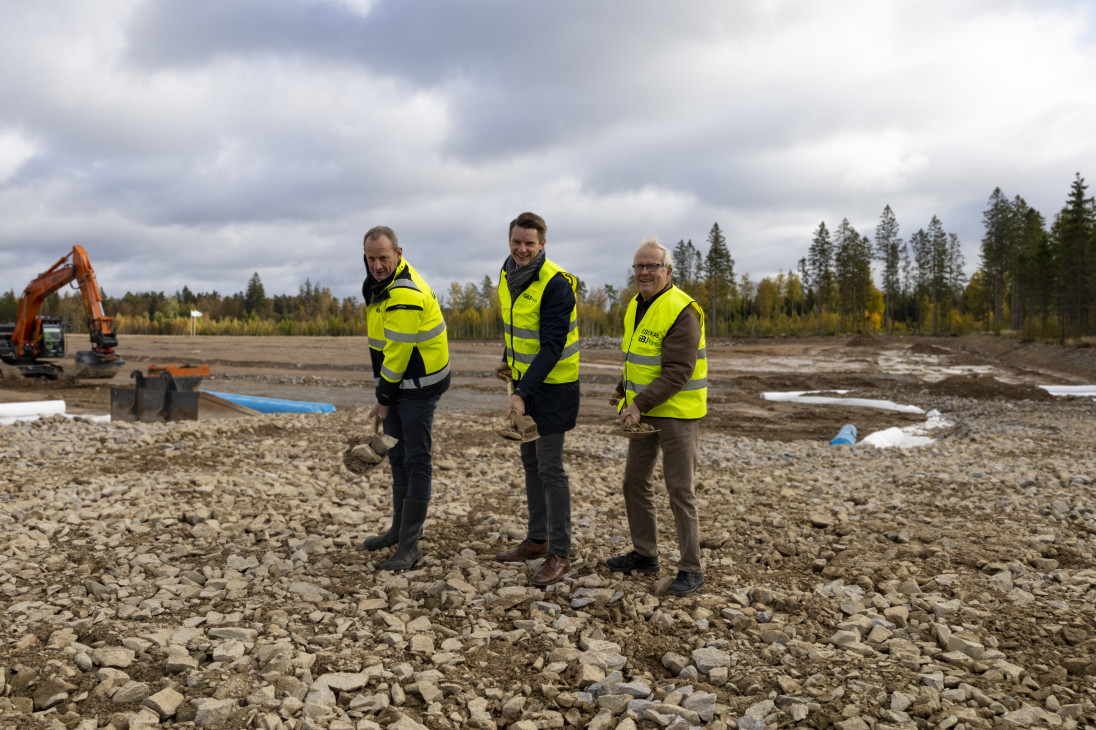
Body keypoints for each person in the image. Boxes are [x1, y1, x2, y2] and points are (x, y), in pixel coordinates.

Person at [606, 237, 707, 595]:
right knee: (634, 482)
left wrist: (638, 404)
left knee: (680, 490)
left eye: (652, 266)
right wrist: (623, 388)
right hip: (644, 412)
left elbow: (678, 371)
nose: (644, 272)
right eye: (639, 266)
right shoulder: (636, 304)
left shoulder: (682, 309)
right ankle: (645, 554)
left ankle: (691, 569)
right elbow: (639, 357)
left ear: (668, 270)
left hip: (677, 414)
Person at [493, 212, 580, 587]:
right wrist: (506, 362)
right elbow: (516, 329)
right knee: (530, 462)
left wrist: (521, 393)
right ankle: (538, 539)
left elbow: (552, 345)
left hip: (554, 388)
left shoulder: (556, 284)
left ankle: (560, 553)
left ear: (542, 244)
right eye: (517, 242)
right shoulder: (507, 274)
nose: (522, 249)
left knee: (550, 468)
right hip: (525, 383)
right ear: (509, 241)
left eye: (530, 243)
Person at [361, 226, 450, 571]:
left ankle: (410, 546)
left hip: (418, 385)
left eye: (383, 257)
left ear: (399, 253)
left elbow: (397, 353)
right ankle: (398, 531)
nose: (377, 265)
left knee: (416, 459)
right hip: (399, 383)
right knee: (396, 454)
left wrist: (383, 397)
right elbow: (380, 347)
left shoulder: (405, 293)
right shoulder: (378, 286)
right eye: (371, 258)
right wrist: (382, 389)